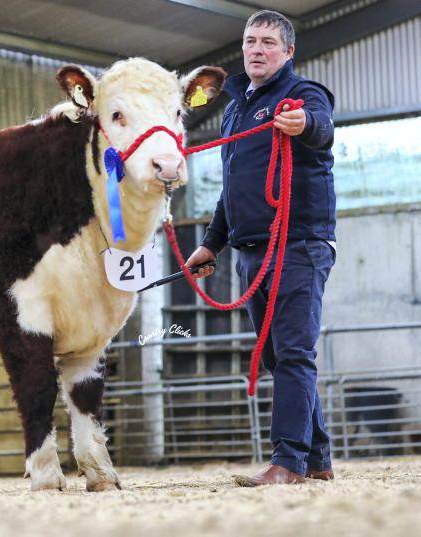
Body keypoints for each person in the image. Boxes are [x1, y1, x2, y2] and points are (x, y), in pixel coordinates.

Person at [185, 10, 336, 486]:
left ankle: (287, 463)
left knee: (293, 352)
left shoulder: (302, 95)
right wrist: (211, 244)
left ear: (288, 52)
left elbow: (323, 127)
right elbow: (233, 187)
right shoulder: (233, 110)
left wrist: (304, 124)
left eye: (268, 42)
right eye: (251, 40)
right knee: (277, 356)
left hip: (298, 242)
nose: (256, 49)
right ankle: (317, 459)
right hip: (253, 248)